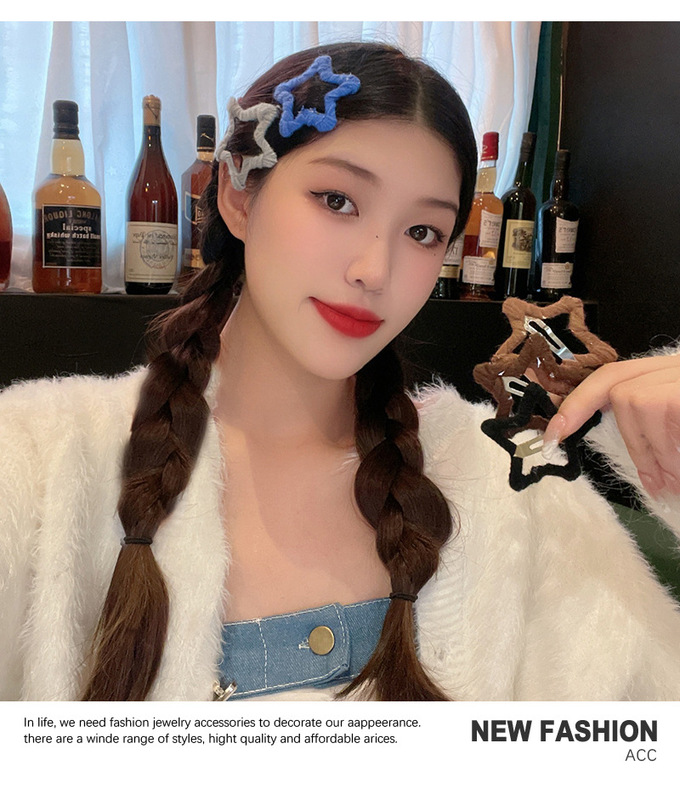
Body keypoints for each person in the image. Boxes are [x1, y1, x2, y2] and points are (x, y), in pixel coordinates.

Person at [1, 41, 680, 702]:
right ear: (238, 197)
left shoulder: (506, 477)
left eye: (422, 232)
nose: (375, 270)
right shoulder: (39, 458)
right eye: (337, 201)